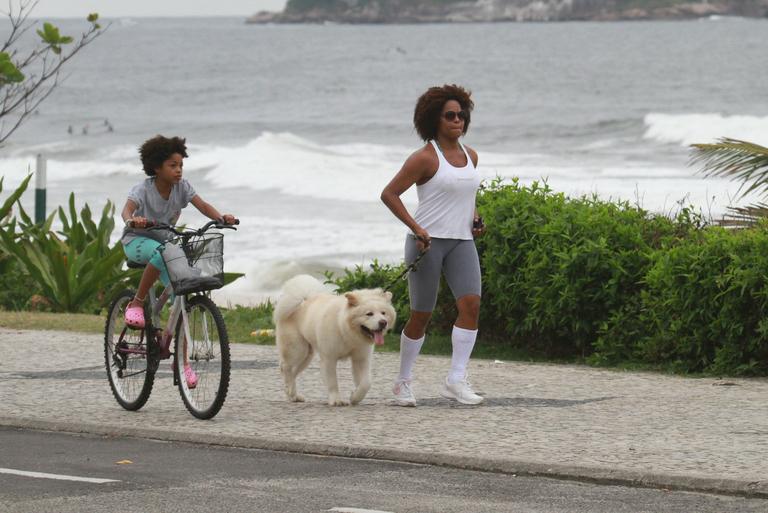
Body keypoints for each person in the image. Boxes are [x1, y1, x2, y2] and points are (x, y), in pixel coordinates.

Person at [381, 84, 486, 407]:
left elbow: (464, 195)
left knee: (471, 306)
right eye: (450, 115)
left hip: (461, 242)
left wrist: (476, 218)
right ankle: (402, 383)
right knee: (420, 316)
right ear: (434, 120)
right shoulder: (425, 158)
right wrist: (416, 228)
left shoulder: (471, 155)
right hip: (426, 244)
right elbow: (389, 194)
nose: (458, 120)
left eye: (461, 115)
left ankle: (455, 379)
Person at [120, 135, 236, 387]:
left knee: (181, 289)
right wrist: (133, 220)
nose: (178, 170)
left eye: (181, 165)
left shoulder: (182, 188)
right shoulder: (143, 190)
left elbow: (202, 205)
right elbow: (126, 210)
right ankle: (137, 303)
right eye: (172, 165)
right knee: (161, 251)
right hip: (137, 242)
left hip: (164, 243)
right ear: (156, 167)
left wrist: (221, 218)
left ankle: (181, 364)